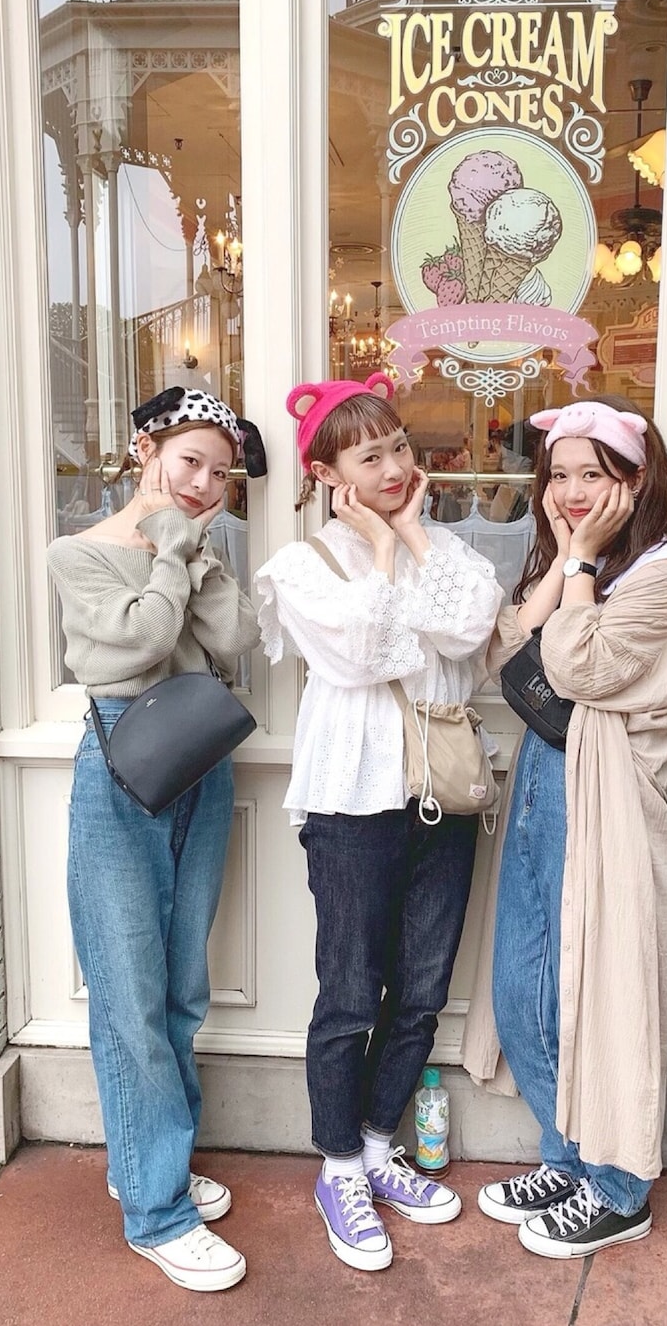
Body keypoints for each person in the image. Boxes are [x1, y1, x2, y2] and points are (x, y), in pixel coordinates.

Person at [253, 372, 503, 1273]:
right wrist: (388, 555)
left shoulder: (449, 546)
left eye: (398, 446)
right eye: (370, 457)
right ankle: (337, 1168)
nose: (394, 468)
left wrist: (412, 537)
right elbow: (364, 654)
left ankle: (373, 1144)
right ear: (328, 475)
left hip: (441, 795)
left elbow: (470, 630)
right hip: (351, 803)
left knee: (423, 987)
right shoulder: (299, 568)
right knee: (351, 991)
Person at [467, 396, 667, 1258]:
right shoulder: (579, 562)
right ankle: (566, 1156)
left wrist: (579, 562)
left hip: (608, 799)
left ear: (637, 481)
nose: (571, 491)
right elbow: (503, 651)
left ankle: (618, 1189)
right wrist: (570, 561)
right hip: (543, 778)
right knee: (525, 985)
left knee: (596, 995)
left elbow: (578, 667)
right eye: (558, 475)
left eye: (592, 475)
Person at [46, 388, 262, 1292]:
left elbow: (238, 638)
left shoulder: (194, 548)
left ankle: (150, 1159)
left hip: (200, 767)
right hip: (121, 771)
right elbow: (139, 644)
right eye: (190, 463)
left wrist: (192, 554)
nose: (205, 484)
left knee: (180, 988)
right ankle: (158, 1212)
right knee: (129, 992)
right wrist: (172, 548)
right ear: (146, 452)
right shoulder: (79, 553)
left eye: (220, 473)